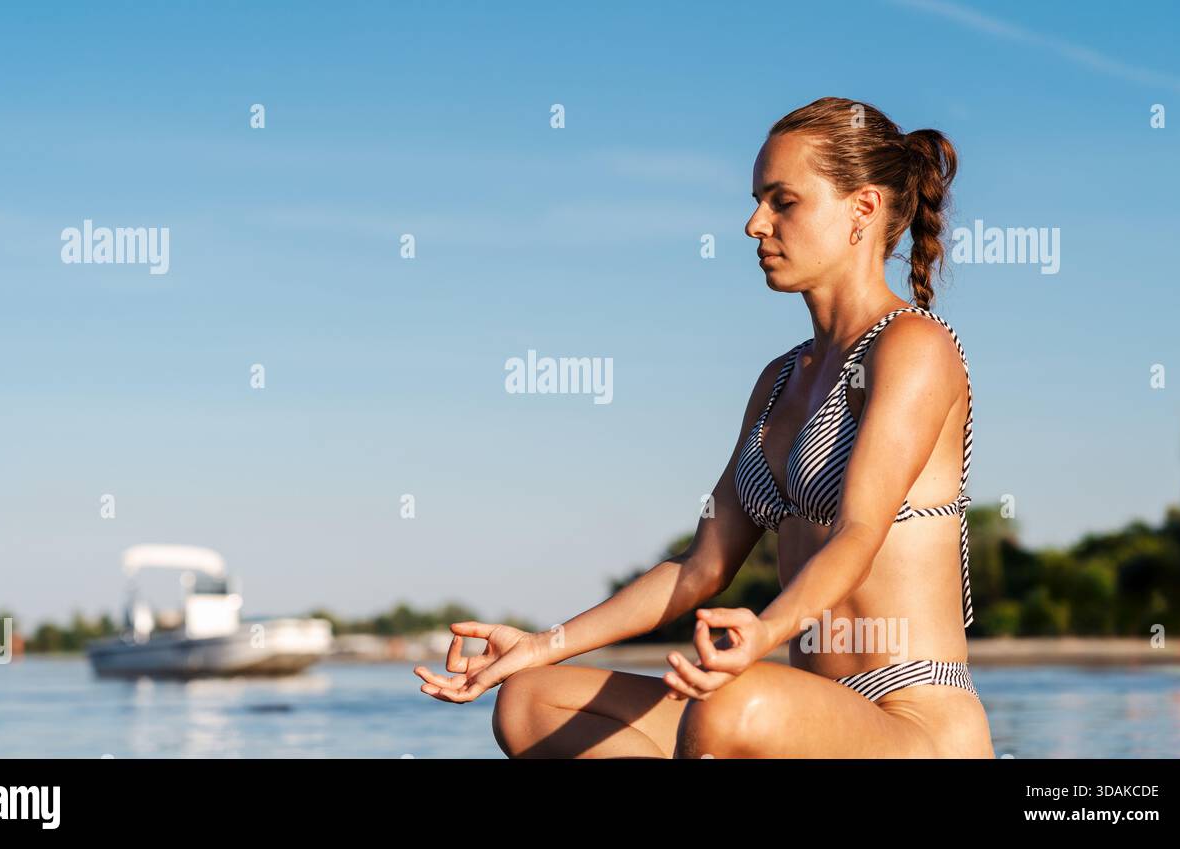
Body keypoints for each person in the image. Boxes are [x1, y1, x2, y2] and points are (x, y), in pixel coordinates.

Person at [414, 96, 995, 758]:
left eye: (783, 202)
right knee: (532, 700)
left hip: (913, 720)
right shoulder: (779, 380)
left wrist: (764, 632)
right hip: (805, 712)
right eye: (757, 201)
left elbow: (858, 533)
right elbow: (699, 568)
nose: (755, 224)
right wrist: (543, 644)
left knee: (730, 702)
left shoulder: (914, 346)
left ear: (862, 208)